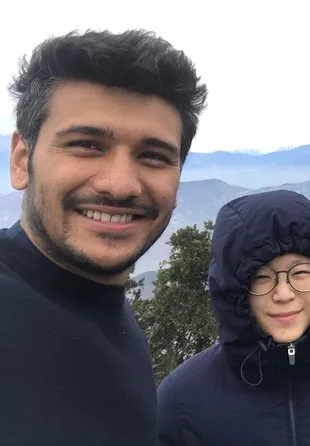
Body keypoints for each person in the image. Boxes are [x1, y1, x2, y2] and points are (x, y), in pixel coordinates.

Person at [0, 29, 207, 445]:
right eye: (86, 144)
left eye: (153, 156)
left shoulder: (117, 323)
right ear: (22, 160)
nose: (120, 185)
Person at [157, 190, 310, 446]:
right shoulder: (182, 400)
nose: (284, 294)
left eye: (300, 272)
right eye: (261, 277)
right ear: (234, 291)